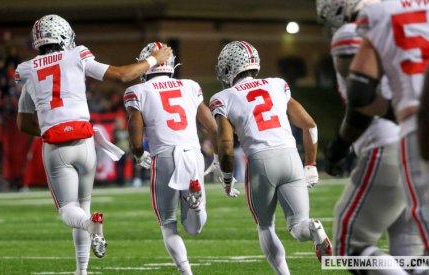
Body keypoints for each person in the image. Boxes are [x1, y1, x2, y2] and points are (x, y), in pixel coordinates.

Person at [15, 15, 172, 275]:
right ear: (65, 35)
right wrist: (154, 59)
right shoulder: (77, 55)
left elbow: (23, 123)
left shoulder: (27, 70)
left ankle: (89, 228)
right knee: (83, 204)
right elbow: (122, 75)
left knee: (68, 210)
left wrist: (47, 129)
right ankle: (82, 270)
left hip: (56, 146)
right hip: (86, 141)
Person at [317, 0, 423, 270]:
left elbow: (362, 100)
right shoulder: (412, 23)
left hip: (388, 146)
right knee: (410, 256)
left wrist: (340, 145)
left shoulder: (353, 31)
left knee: (347, 249)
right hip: (420, 145)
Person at [210, 40, 331, 274]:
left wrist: (226, 178)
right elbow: (310, 125)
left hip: (261, 161)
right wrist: (311, 164)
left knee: (265, 226)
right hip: (291, 158)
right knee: (298, 227)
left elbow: (225, 144)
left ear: (228, 67)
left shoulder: (222, 97)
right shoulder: (277, 84)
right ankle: (315, 228)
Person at [125, 42, 222, 275]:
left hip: (165, 155)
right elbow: (212, 127)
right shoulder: (190, 86)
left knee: (168, 223)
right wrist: (218, 155)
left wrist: (139, 155)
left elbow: (136, 138)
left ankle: (186, 272)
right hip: (192, 153)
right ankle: (196, 206)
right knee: (194, 228)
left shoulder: (137, 91)